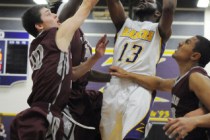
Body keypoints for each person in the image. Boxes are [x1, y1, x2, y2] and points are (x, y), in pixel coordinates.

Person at [10, 0, 109, 139]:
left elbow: (72, 74)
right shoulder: (55, 36)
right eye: (49, 14)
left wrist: (96, 57)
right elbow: (86, 5)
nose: (56, 16)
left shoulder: (39, 46)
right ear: (39, 25)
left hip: (42, 113)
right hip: (44, 115)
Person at [100, 0, 177, 139]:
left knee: (132, 136)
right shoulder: (123, 23)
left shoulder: (160, 30)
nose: (144, 0)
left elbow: (169, 8)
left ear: (157, 13)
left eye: (150, 1)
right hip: (114, 87)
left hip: (140, 88)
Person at [109, 35, 210, 140]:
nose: (180, 43)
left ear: (194, 56)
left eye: (187, 42)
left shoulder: (196, 77)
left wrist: (194, 121)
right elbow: (159, 83)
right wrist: (127, 74)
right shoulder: (184, 79)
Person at [47, 0, 111, 139]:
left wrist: (111, 77)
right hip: (64, 98)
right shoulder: (61, 32)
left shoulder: (79, 33)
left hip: (80, 95)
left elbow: (83, 72)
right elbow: (74, 74)